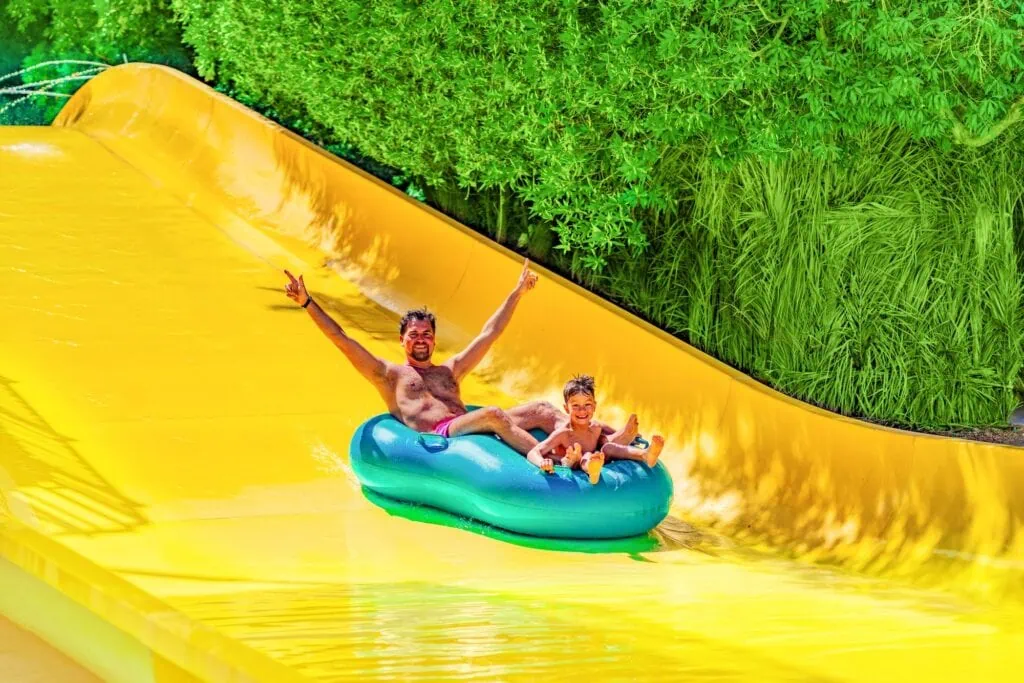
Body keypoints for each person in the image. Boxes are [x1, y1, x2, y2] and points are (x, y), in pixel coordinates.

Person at [284, 259, 593, 458]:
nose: (421, 339)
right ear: (402, 340)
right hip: (442, 436)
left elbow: (490, 333)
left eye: (426, 333)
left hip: (467, 423)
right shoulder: (388, 375)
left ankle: (598, 444)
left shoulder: (450, 370)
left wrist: (518, 293)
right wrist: (307, 302)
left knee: (542, 407)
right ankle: (553, 460)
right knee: (494, 413)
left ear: (433, 338)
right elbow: (342, 338)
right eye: (414, 334)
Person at [526, 375, 664, 484]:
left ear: (595, 406)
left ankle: (645, 455)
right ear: (566, 408)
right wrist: (541, 462)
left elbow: (612, 434)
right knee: (586, 456)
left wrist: (633, 436)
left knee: (608, 447)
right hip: (578, 463)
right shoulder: (564, 433)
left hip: (599, 459)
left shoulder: (596, 427)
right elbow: (534, 451)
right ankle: (593, 473)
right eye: (575, 406)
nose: (582, 410)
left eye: (587, 404)